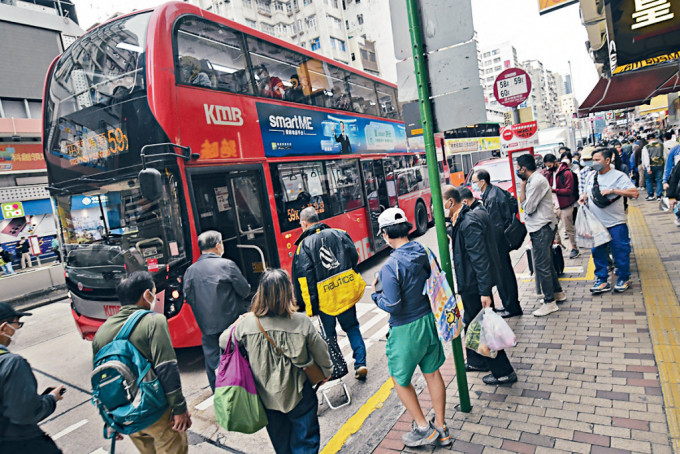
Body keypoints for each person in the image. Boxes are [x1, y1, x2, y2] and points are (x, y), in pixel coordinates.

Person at [219, 269, 332, 454]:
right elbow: (321, 352)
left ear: (260, 294)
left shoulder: (247, 324)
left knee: (281, 445)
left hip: (266, 397)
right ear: (288, 292)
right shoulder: (301, 322)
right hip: (299, 393)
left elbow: (224, 341)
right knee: (306, 441)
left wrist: (240, 319)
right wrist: (326, 372)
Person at [370, 207, 451, 447]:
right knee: (433, 373)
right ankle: (442, 427)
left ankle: (424, 427)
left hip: (405, 329)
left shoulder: (390, 266)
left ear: (385, 234)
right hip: (428, 320)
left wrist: (376, 294)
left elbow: (393, 305)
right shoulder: (423, 250)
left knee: (400, 379)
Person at [93, 272, 191, 453]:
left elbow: (101, 381)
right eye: (153, 292)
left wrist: (109, 420)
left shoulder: (102, 332)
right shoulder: (154, 321)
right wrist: (179, 408)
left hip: (128, 416)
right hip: (158, 414)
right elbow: (166, 367)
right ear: (147, 295)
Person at [448, 187, 518, 385]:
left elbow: (480, 259)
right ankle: (478, 361)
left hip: (474, 286)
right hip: (470, 285)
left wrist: (484, 291)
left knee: (485, 330)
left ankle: (504, 372)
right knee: (473, 325)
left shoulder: (469, 222)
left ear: (451, 202)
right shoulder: (462, 220)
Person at [291, 207, 368, 379]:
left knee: (329, 337)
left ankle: (339, 369)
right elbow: (354, 256)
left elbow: (305, 281)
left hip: (324, 301)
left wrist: (310, 308)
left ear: (304, 223)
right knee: (353, 328)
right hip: (345, 293)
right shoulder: (339, 233)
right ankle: (361, 363)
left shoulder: (303, 246)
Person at [183, 231, 250, 392]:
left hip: (207, 329)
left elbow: (188, 297)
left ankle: (221, 398)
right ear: (218, 245)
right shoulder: (226, 265)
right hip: (232, 326)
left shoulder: (190, 271)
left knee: (214, 367)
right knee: (241, 363)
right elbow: (245, 290)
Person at [0, 303, 65, 454]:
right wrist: (51, 398)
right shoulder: (12, 363)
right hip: (20, 444)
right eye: (17, 324)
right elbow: (26, 413)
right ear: (4, 328)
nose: (17, 330)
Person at [580, 149, 639, 294]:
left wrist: (614, 190)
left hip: (616, 223)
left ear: (607, 160)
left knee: (620, 252)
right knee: (598, 253)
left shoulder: (618, 176)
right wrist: (584, 197)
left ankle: (623, 278)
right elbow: (587, 191)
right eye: (593, 159)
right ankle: (602, 280)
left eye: (598, 159)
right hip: (596, 224)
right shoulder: (591, 175)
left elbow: (634, 193)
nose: (594, 162)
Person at [516, 154, 566, 317]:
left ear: (524, 168)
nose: (517, 170)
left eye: (518, 167)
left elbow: (527, 207)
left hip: (541, 227)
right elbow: (524, 204)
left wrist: (523, 193)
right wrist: (523, 187)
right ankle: (557, 293)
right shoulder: (532, 181)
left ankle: (549, 302)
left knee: (542, 265)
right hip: (540, 227)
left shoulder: (537, 182)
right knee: (547, 263)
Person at [472, 169, 522, 318]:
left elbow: (496, 226)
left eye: (474, 182)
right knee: (504, 274)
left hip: (499, 243)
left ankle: (512, 307)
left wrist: (490, 245)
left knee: (504, 275)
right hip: (501, 242)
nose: (473, 185)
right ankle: (509, 304)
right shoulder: (493, 192)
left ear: (483, 182)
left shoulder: (492, 197)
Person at [543, 154, 579, 259]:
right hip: (553, 205)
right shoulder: (548, 173)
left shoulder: (567, 173)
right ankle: (558, 245)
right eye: (547, 166)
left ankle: (574, 248)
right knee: (553, 227)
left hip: (565, 205)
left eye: (550, 166)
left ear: (555, 161)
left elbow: (569, 190)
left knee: (569, 228)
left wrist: (553, 190)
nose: (548, 168)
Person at [642, 132, 665, 200]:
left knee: (649, 180)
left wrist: (648, 168)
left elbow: (646, 158)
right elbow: (665, 156)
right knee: (659, 180)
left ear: (648, 140)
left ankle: (650, 195)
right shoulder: (661, 145)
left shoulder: (646, 147)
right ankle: (659, 195)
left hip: (651, 166)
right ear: (655, 138)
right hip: (660, 165)